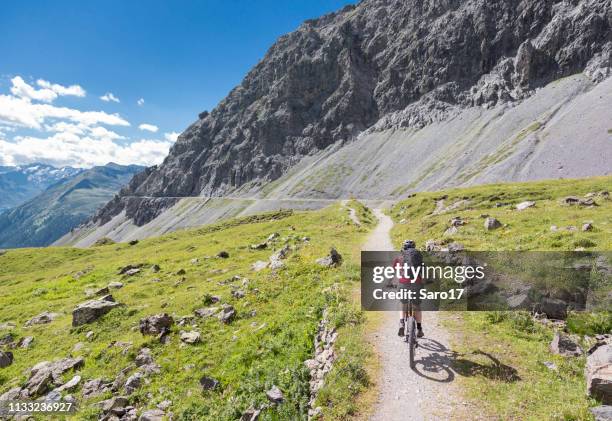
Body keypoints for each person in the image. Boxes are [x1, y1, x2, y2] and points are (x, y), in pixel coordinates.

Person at [393, 239, 424, 338]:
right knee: (417, 306)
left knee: (403, 303)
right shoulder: (418, 257)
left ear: (403, 248)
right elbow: (424, 272)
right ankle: (419, 328)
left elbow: (394, 271)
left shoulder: (399, 257)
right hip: (416, 284)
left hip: (403, 284)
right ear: (414, 248)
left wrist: (392, 282)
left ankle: (402, 323)